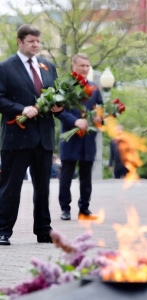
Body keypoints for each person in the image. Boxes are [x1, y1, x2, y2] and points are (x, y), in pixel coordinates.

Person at [0, 24, 62, 246]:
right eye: (31, 41)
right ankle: (3, 230)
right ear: (20, 42)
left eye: (38, 41)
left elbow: (55, 95)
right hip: (17, 137)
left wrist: (59, 107)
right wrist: (20, 108)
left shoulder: (48, 66)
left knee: (43, 187)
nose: (35, 45)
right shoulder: (5, 67)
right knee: (10, 186)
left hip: (43, 137)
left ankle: (43, 230)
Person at [56, 53, 103, 221]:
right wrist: (75, 121)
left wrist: (99, 119)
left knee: (86, 176)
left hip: (88, 140)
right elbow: (59, 112)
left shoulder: (95, 88)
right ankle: (65, 209)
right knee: (66, 174)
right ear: (73, 66)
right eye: (81, 65)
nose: (84, 69)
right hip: (70, 138)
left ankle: (84, 209)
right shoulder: (65, 88)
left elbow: (100, 110)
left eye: (87, 66)